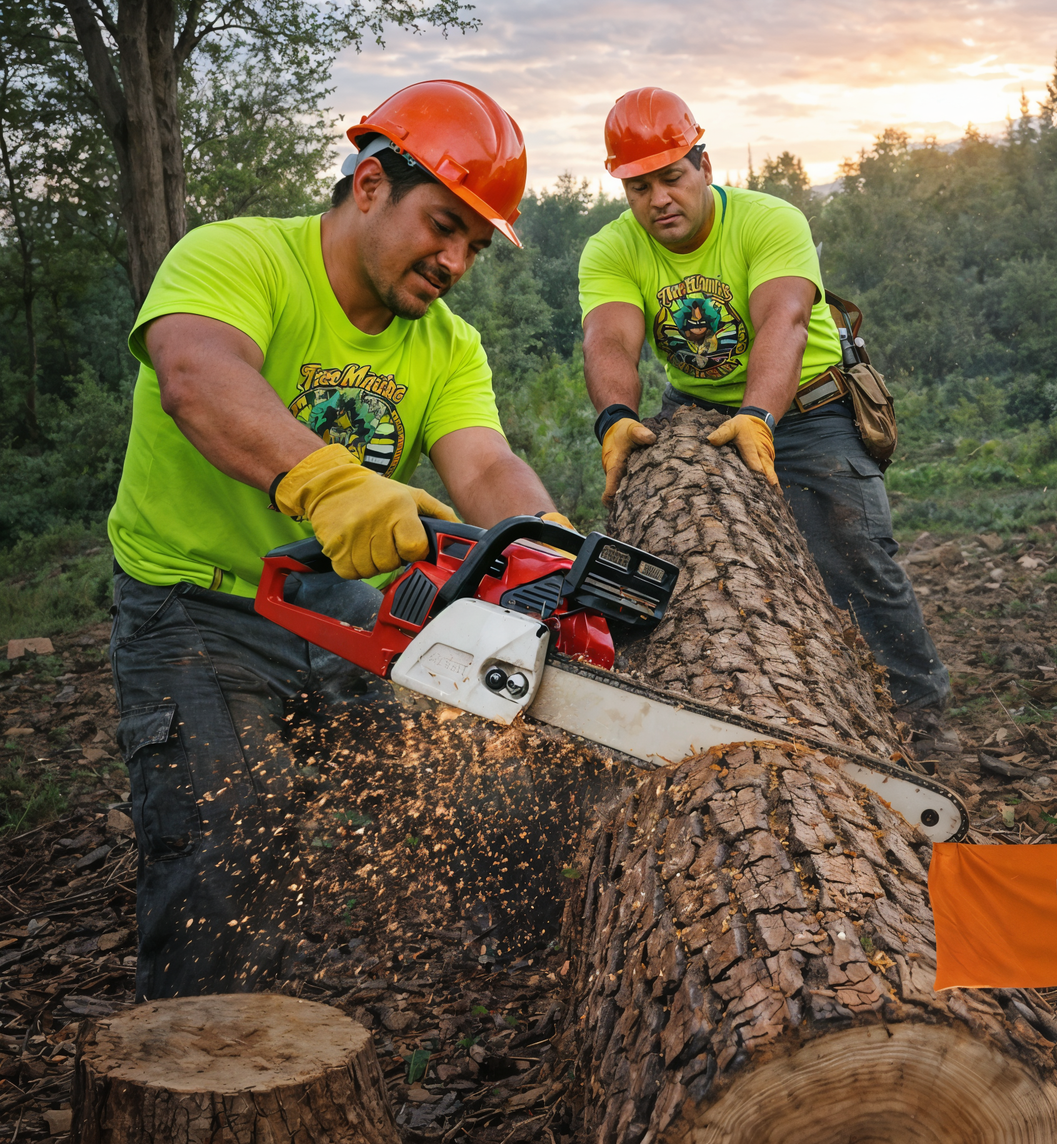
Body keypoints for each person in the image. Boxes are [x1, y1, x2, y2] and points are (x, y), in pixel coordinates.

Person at [107, 79, 571, 999]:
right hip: (196, 603)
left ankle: (551, 982)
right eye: (442, 225)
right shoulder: (238, 257)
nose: (454, 261)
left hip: (337, 602)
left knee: (492, 776)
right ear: (368, 186)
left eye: (473, 246)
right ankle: (198, 1060)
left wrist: (543, 543)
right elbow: (197, 375)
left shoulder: (445, 343)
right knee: (229, 843)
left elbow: (481, 462)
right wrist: (326, 481)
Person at [579, 87, 951, 744]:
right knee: (676, 553)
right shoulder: (611, 250)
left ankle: (920, 716)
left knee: (853, 556)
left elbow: (786, 321)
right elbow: (610, 339)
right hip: (694, 409)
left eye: (671, 177)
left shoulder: (768, 221)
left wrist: (759, 415)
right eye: (640, 187)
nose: (659, 199)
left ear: (705, 168)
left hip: (811, 408)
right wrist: (614, 415)